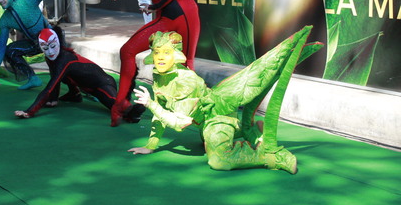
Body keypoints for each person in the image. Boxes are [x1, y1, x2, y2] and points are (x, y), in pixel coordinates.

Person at [127, 29, 321, 175]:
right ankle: (249, 130)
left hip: (217, 120)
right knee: (206, 141)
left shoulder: (187, 80)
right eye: (157, 52)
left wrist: (151, 105)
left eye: (166, 52)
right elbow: (162, 112)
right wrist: (151, 145)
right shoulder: (159, 77)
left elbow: (180, 123)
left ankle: (269, 155)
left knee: (218, 161)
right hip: (203, 124)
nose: (160, 57)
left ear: (176, 56)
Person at [111, 0, 201, 126]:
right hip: (165, 20)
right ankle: (121, 103)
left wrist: (154, 6)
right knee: (127, 50)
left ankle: (200, 117)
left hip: (186, 16)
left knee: (187, 65)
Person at [0, 0, 93, 92]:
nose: (0, 0)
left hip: (52, 40)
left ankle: (90, 89)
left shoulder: (29, 0)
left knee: (65, 67)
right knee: (10, 51)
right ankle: (32, 78)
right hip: (35, 43)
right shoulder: (5, 20)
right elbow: (0, 47)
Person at [15, 26, 145, 120]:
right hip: (84, 84)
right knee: (60, 74)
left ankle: (134, 110)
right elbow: (55, 76)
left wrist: (29, 111)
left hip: (102, 84)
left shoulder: (65, 60)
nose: (50, 51)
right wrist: (53, 100)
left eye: (53, 46)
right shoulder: (52, 58)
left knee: (116, 106)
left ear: (58, 42)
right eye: (45, 48)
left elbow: (50, 88)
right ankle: (74, 94)